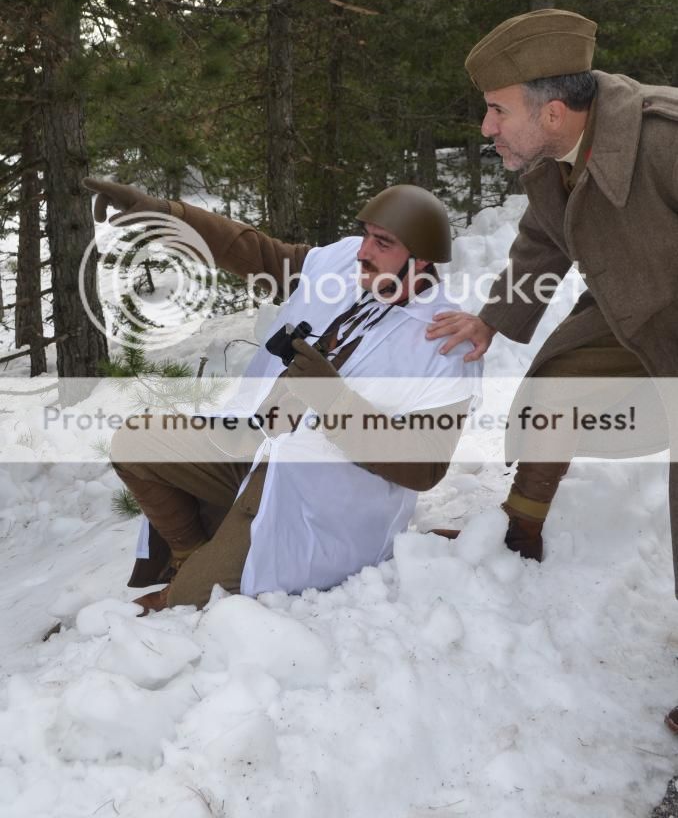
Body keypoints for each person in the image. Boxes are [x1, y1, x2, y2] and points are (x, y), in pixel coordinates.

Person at [424, 7, 678, 727]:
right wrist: (491, 319)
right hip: (642, 314)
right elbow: (543, 243)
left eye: (497, 110)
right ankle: (521, 528)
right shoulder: (552, 161)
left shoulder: (663, 139)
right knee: (557, 384)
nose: (485, 128)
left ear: (556, 111)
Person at [84, 178, 480, 612]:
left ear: (420, 260)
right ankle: (190, 555)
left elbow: (425, 466)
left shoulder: (443, 340)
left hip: (323, 500)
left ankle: (192, 580)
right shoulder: (345, 264)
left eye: (382, 242)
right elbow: (256, 252)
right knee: (137, 442)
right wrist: (168, 215)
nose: (364, 251)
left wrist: (334, 401)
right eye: (366, 235)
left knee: (190, 601)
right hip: (252, 449)